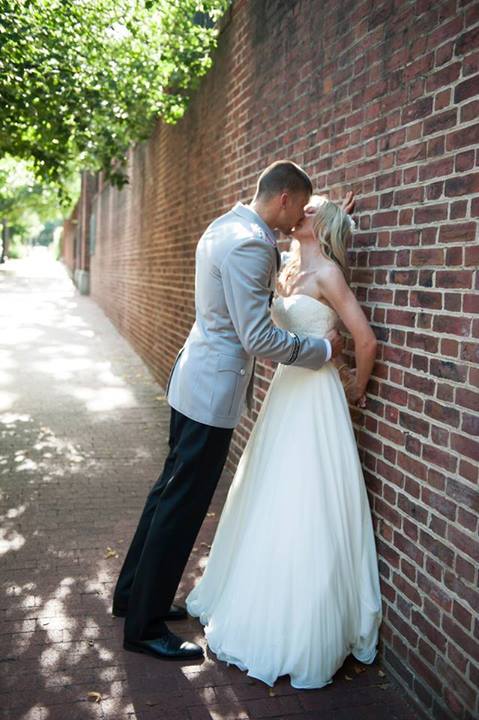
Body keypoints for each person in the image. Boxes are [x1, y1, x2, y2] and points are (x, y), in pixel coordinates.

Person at [112, 161, 348, 660]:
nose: (297, 218)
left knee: (167, 492)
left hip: (193, 377)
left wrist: (326, 228)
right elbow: (257, 337)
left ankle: (133, 596)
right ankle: (145, 627)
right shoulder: (252, 243)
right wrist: (323, 351)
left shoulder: (226, 225)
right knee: (182, 505)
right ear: (284, 198)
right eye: (300, 207)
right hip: (212, 389)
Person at [186, 195, 382, 688]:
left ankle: (305, 625)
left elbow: (365, 338)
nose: (298, 215)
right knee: (270, 493)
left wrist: (354, 387)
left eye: (309, 211)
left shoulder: (328, 276)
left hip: (317, 400)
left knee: (307, 499)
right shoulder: (288, 269)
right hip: (284, 395)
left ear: (320, 224)